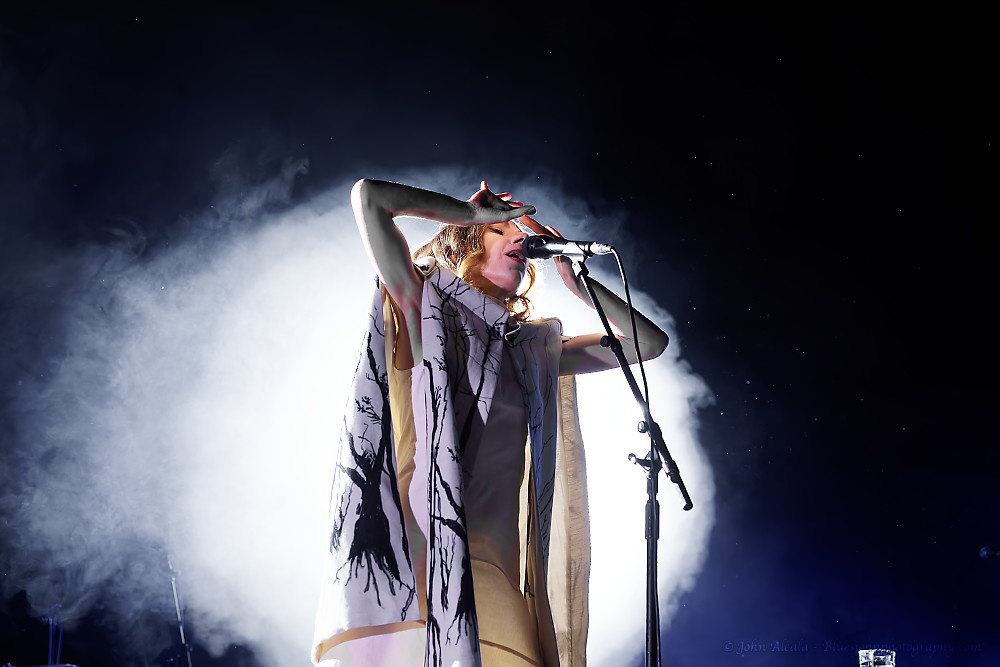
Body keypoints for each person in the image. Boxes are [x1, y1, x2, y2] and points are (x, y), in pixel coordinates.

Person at [312, 179, 668, 667]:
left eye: (517, 231)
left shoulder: (532, 351)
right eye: (500, 230)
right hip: (429, 549)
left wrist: (578, 282)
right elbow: (369, 198)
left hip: (495, 564)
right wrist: (465, 212)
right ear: (464, 240)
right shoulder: (425, 311)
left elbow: (646, 344)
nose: (518, 238)